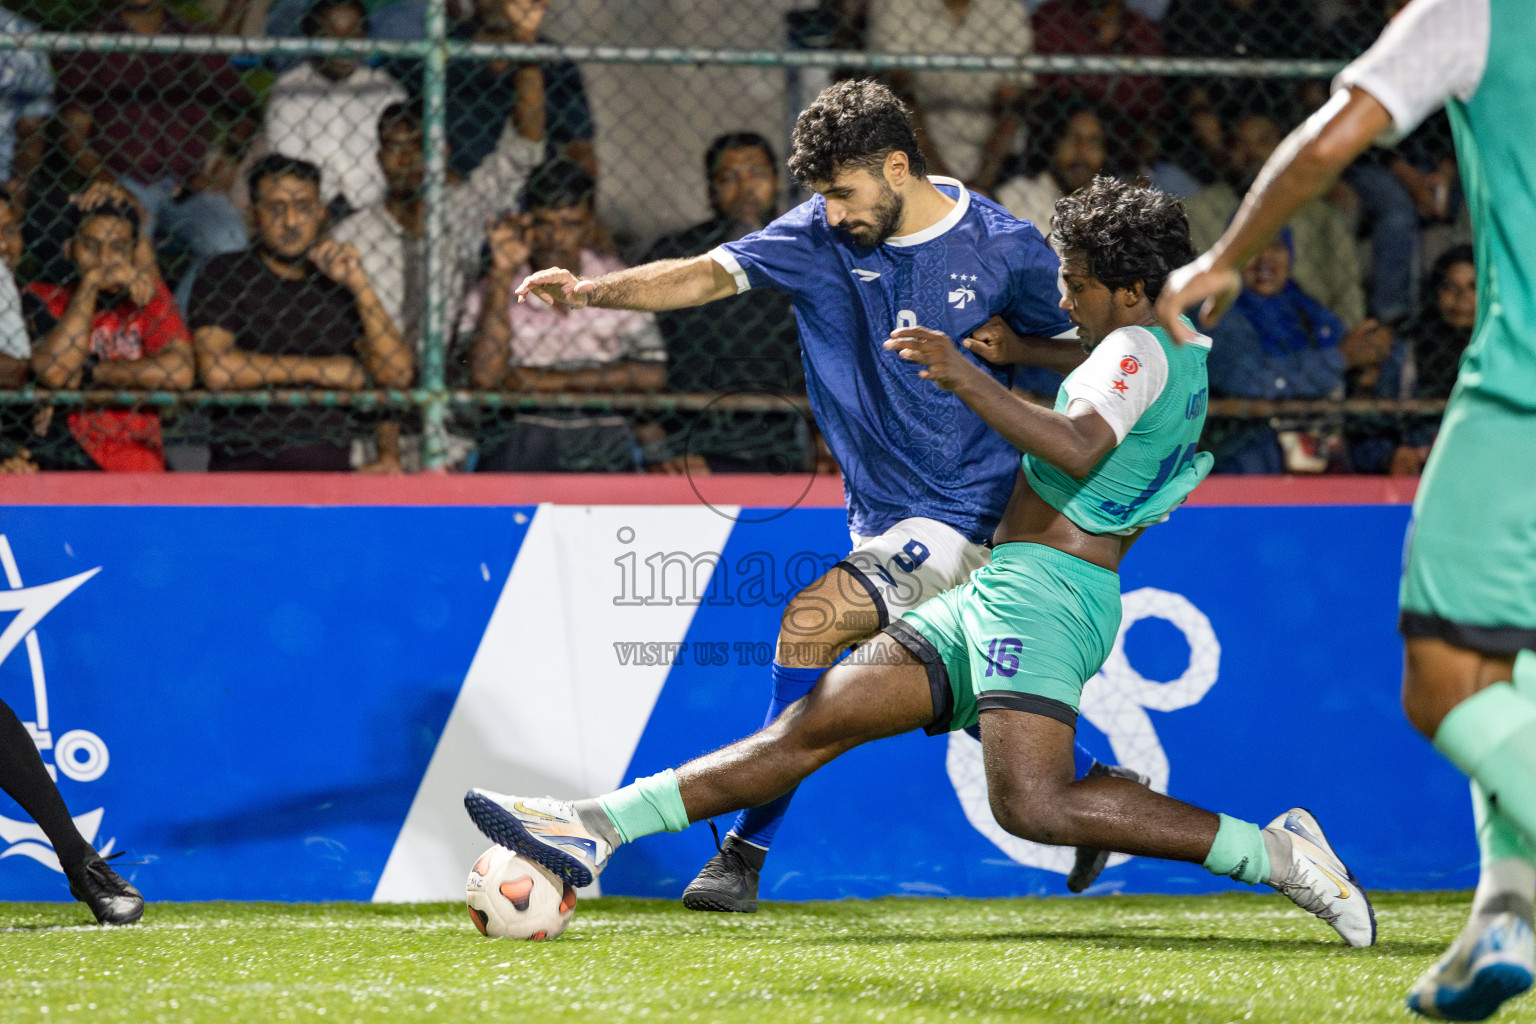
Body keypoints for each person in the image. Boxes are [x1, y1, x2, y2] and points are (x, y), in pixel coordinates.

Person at [465, 177, 1377, 954]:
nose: (1064, 296)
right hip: (1001, 588)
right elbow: (1106, 366)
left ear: (1130, 289)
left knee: (1032, 803)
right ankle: (587, 829)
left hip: (1047, 597)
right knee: (809, 727)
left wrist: (967, 374)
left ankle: (1280, 855)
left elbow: (1081, 439)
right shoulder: (1168, 340)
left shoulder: (1132, 349)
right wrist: (1024, 351)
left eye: (1079, 283)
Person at [510, 80, 1145, 912]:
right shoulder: (815, 233)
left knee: (811, 622)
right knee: (938, 698)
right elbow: (704, 276)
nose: (833, 211)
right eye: (821, 196)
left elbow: (1103, 352)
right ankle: (1101, 789)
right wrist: (593, 292)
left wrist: (1024, 348)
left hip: (975, 516)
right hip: (883, 517)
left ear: (895, 167)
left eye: (843, 193)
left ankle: (742, 852)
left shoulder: (1004, 245)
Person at [1158, 1, 1536, 1016]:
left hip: (1525, 393)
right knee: (1515, 661)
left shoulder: (1477, 13)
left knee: (1447, 679)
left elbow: (1333, 136)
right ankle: (1507, 909)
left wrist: (1228, 253)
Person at [330, 64, 545, 466]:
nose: (408, 158)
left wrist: (526, 49)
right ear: (379, 157)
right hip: (372, 412)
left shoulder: (463, 211)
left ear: (442, 152)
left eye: (419, 146)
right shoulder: (351, 234)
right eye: (395, 147)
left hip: (451, 409)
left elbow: (524, 147)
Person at [190, 155, 411, 471]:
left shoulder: (336, 283)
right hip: (245, 473)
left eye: (303, 207)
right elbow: (217, 369)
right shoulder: (225, 273)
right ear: (255, 215)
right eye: (276, 208)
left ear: (321, 214)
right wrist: (322, 370)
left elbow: (397, 374)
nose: (291, 221)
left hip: (327, 481)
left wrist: (360, 284)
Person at [463, 159, 665, 472]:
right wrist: (503, 274)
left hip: (602, 434)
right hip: (521, 437)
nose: (556, 238)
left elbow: (652, 372)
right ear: (526, 223)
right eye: (545, 224)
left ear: (589, 227)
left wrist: (539, 382)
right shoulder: (491, 290)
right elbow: (485, 376)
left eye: (570, 224)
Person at [54, 0, 253, 287]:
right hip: (124, 177)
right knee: (125, 246)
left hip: (187, 184)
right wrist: (110, 183)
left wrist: (227, 163)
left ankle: (182, 326)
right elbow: (71, 135)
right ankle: (151, 327)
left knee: (231, 244)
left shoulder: (193, 38)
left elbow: (243, 109)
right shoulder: (92, 41)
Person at [645, 132, 807, 474]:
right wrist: (654, 438)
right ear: (710, 190)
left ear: (777, 182)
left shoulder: (805, 253)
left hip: (783, 434)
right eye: (729, 177)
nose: (745, 187)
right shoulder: (677, 255)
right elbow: (645, 348)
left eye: (756, 174)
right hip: (692, 434)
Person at [25, 195, 193, 471]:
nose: (104, 260)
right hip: (67, 461)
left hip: (139, 463)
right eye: (90, 246)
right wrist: (90, 284)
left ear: (132, 253)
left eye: (118, 248)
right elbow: (57, 373)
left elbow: (180, 372)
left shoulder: (147, 297)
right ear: (68, 249)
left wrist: (91, 373)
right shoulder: (41, 296)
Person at [1204, 230, 1389, 474]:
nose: (1264, 259)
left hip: (1316, 444)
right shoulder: (1217, 313)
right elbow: (1256, 382)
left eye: (1276, 248)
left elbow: (1351, 349)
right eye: (1253, 247)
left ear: (1290, 256)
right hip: (1246, 451)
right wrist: (1340, 359)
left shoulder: (1306, 310)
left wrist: (1371, 353)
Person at [1183, 112, 1365, 326]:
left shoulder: (1321, 216)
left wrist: (1344, 341)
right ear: (1226, 152)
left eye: (1264, 141)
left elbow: (1348, 290)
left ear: (1286, 146)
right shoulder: (1197, 211)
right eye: (1239, 144)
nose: (1252, 153)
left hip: (1313, 332)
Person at [865, 0, 1033, 191]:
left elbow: (1012, 104)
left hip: (996, 160)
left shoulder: (1006, 8)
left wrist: (981, 184)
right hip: (912, 147)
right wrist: (943, 183)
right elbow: (900, 95)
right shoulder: (894, 5)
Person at [264, 0, 408, 214]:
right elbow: (290, 168)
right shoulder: (289, 91)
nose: (343, 44)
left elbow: (398, 164)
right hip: (311, 211)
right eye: (329, 33)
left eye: (353, 33)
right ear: (311, 34)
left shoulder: (385, 90)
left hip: (377, 209)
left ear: (366, 35)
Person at [996, 104, 1109, 237]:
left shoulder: (1111, 208)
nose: (1082, 150)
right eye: (1072, 138)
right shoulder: (1016, 195)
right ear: (1053, 145)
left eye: (1093, 141)